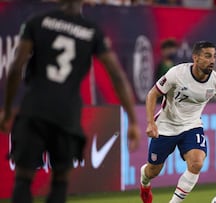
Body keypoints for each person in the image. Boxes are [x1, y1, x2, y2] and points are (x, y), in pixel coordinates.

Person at [0, 0, 141, 202]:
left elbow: (16, 68)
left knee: (23, 179)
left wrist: (7, 109)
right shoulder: (91, 31)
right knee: (60, 182)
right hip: (67, 115)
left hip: (35, 108)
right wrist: (133, 120)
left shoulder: (38, 21)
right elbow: (117, 76)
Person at [139, 41, 216, 203]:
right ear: (196, 58)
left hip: (192, 126)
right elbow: (152, 94)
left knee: (197, 163)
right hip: (166, 126)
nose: (212, 60)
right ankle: (144, 182)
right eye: (207, 56)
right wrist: (151, 123)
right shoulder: (176, 74)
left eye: (214, 56)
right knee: (153, 171)